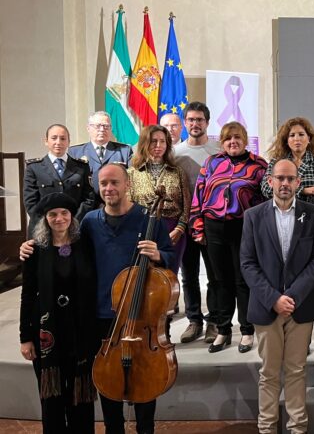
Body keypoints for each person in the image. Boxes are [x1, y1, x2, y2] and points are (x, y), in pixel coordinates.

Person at [22, 163, 175, 434]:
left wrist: (160, 256)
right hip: (101, 317)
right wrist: (32, 245)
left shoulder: (148, 219)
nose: (109, 188)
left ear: (128, 184)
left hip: (142, 315)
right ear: (97, 186)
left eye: (115, 182)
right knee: (108, 382)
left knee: (144, 379)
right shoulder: (90, 221)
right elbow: (61, 245)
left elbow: (171, 259)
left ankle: (145, 429)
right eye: (103, 184)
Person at [240, 159, 314, 434]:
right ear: (270, 181)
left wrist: (293, 296)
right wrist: (274, 299)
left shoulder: (313, 214)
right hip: (267, 308)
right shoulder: (253, 216)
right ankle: (267, 428)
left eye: (291, 179)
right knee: (268, 373)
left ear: (299, 183)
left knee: (296, 370)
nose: (285, 184)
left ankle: (297, 427)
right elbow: (247, 263)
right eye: (280, 178)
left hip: (300, 308)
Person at [19, 193, 98, 434]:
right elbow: (28, 294)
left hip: (79, 330)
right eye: (52, 214)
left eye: (64, 213)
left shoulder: (84, 244)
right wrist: (25, 337)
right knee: (51, 397)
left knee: (80, 392)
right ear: (45, 219)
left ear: (71, 216)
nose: (59, 218)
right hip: (46, 333)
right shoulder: (34, 250)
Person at [190, 121, 267, 354]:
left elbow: (265, 201)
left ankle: (246, 330)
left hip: (243, 227)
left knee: (243, 281)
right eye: (228, 138)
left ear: (245, 140)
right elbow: (199, 194)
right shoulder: (212, 162)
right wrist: (197, 225)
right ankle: (223, 330)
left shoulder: (259, 165)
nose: (233, 142)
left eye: (237, 137)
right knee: (219, 281)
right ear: (222, 142)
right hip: (214, 227)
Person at [174, 102, 222, 343]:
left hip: (211, 223)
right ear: (185, 122)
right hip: (185, 223)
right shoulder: (175, 153)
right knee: (189, 275)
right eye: (191, 119)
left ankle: (214, 320)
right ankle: (194, 320)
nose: (195, 124)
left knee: (214, 274)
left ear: (207, 122)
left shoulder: (218, 150)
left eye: (199, 120)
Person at [128, 125, 190, 273]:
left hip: (173, 230)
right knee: (142, 275)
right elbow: (128, 204)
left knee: (169, 277)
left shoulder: (177, 172)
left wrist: (179, 229)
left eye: (163, 141)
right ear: (144, 143)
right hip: (142, 230)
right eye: (153, 141)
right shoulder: (132, 173)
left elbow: (187, 204)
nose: (158, 145)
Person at [23, 124, 96, 234]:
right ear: (46, 141)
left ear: (68, 142)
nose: (58, 142)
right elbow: (30, 202)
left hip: (75, 229)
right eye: (54, 138)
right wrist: (49, 224)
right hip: (42, 230)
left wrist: (72, 222)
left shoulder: (82, 167)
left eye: (63, 138)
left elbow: (88, 199)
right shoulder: (34, 168)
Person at [261, 117, 314, 204]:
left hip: (310, 212)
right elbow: (266, 188)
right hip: (281, 210)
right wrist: (303, 191)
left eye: (301, 134)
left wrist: (285, 190)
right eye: (292, 135)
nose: (297, 139)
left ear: (309, 139)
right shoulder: (276, 162)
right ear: (287, 141)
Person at [69, 111, 133, 198]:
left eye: (106, 126)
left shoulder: (124, 151)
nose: (102, 129)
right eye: (98, 126)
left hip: (116, 201)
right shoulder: (75, 152)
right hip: (87, 203)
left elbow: (131, 180)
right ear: (88, 128)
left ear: (111, 129)